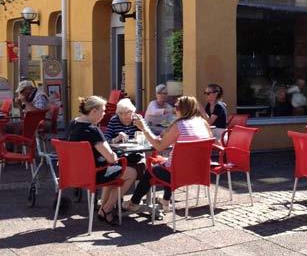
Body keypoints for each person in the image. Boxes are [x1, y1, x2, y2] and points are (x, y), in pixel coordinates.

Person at [122, 95, 213, 213]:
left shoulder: (179, 125)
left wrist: (144, 128)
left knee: (151, 170)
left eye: (176, 106)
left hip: (177, 175)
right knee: (167, 162)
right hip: (198, 172)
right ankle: (165, 200)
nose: (174, 109)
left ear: (183, 109)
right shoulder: (202, 123)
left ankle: (134, 202)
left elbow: (159, 146)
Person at [68, 96, 137, 225]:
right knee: (131, 173)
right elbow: (110, 158)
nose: (104, 114)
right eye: (103, 111)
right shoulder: (93, 130)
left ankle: (103, 209)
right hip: (93, 174)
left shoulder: (73, 124)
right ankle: (107, 209)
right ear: (94, 111)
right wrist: (115, 157)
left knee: (114, 171)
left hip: (73, 173)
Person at [104, 98, 146, 179]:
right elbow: (105, 140)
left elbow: (148, 137)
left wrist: (142, 129)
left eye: (128, 113)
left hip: (136, 154)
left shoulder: (138, 119)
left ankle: (140, 189)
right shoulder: (114, 120)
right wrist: (116, 139)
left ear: (133, 112)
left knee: (145, 168)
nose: (124, 116)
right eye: (121, 113)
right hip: (119, 156)